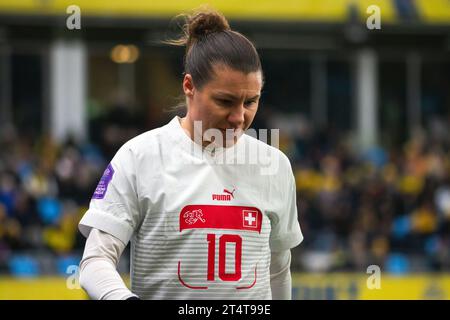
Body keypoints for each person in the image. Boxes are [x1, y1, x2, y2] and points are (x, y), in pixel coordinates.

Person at [78, 8, 303, 300]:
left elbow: (278, 269)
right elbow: (94, 262)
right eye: (225, 101)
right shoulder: (139, 157)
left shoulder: (275, 165)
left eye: (251, 101)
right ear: (189, 86)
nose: (239, 117)